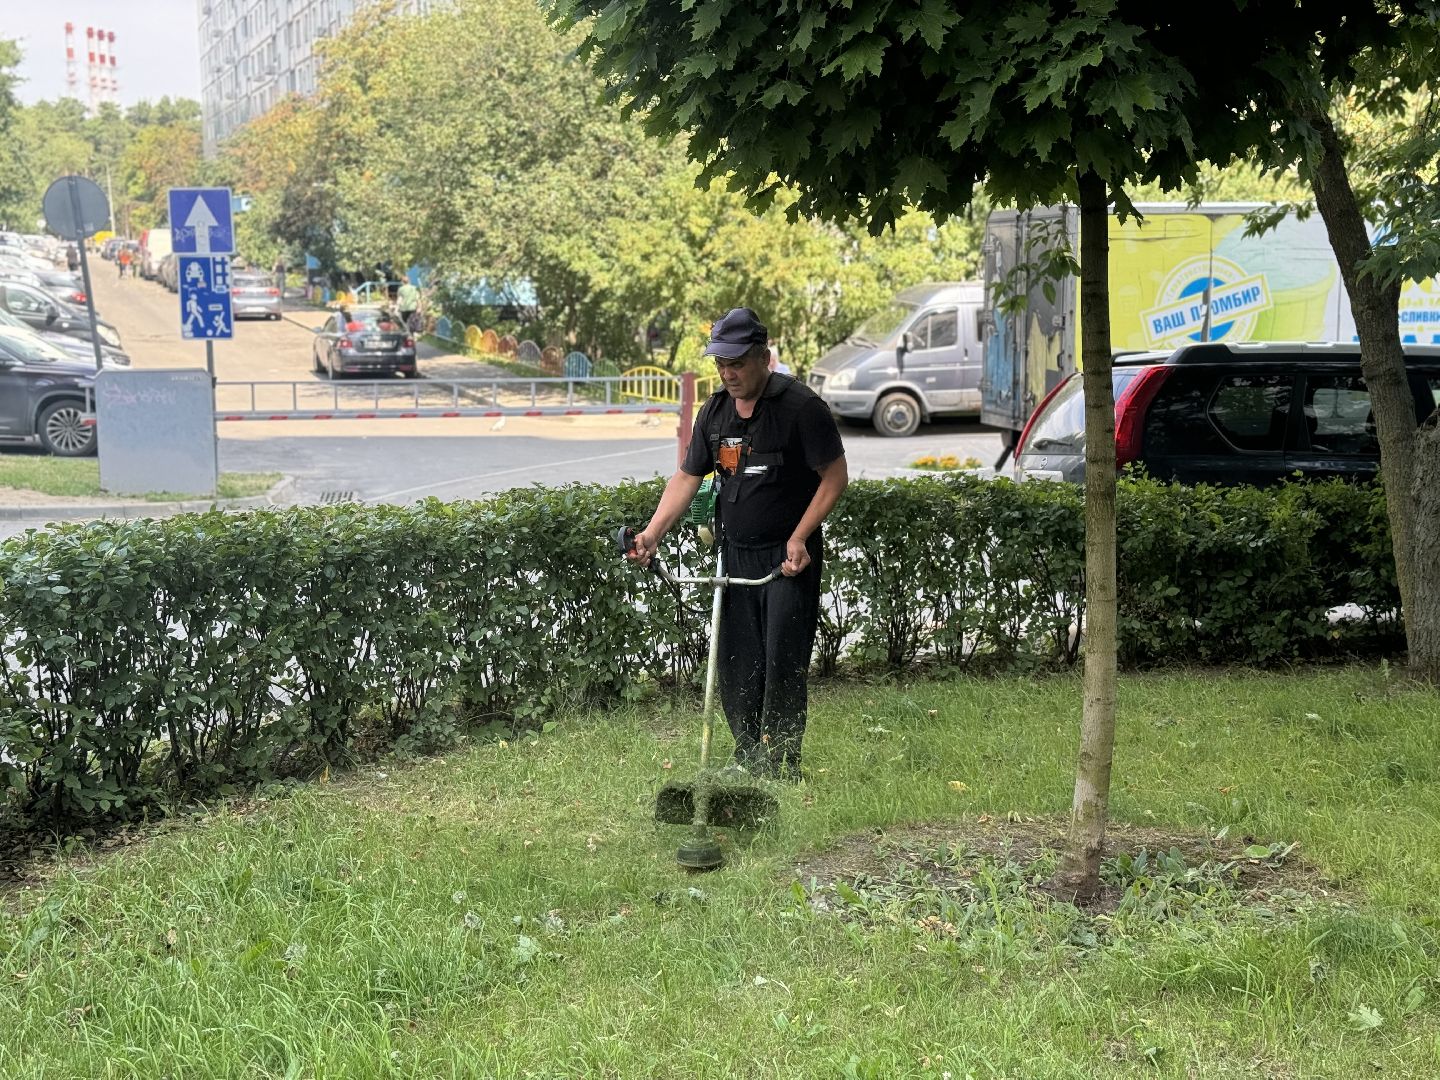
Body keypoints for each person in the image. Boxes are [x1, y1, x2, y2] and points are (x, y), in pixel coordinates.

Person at [627, 308, 848, 778]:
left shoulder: (802, 409)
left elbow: (834, 478)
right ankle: (747, 758)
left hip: (788, 558)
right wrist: (651, 533)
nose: (728, 373)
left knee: (780, 665)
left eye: (737, 363)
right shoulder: (715, 411)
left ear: (763, 357)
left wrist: (800, 537)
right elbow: (688, 477)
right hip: (736, 555)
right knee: (736, 663)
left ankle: (782, 765)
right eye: (720, 364)